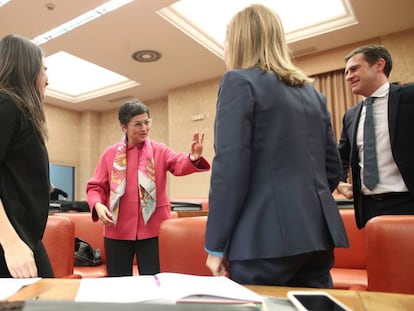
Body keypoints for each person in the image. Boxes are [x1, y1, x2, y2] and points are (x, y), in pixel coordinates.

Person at [204, 4, 348, 288]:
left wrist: (215, 244)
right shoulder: (313, 95)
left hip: (262, 241)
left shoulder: (237, 81)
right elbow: (332, 170)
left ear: (238, 41)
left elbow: (230, 170)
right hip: (317, 236)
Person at [86, 99, 210, 276]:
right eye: (137, 124)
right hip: (117, 229)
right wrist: (98, 205)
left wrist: (192, 158)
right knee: (118, 284)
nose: (144, 128)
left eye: (147, 122)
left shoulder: (159, 150)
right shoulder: (110, 154)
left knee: (154, 281)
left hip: (153, 229)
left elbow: (178, 163)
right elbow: (95, 187)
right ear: (123, 126)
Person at [337, 45, 414, 229]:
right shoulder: (350, 115)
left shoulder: (409, 96)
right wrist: (339, 182)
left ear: (379, 65)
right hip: (367, 208)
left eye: (354, 69)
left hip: (406, 202)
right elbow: (341, 155)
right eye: (346, 72)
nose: (348, 76)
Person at [0, 34, 54, 278]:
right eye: (43, 70)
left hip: (27, 236)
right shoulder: (5, 104)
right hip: (9, 242)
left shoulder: (19, 111)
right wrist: (10, 243)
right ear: (27, 69)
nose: (47, 79)